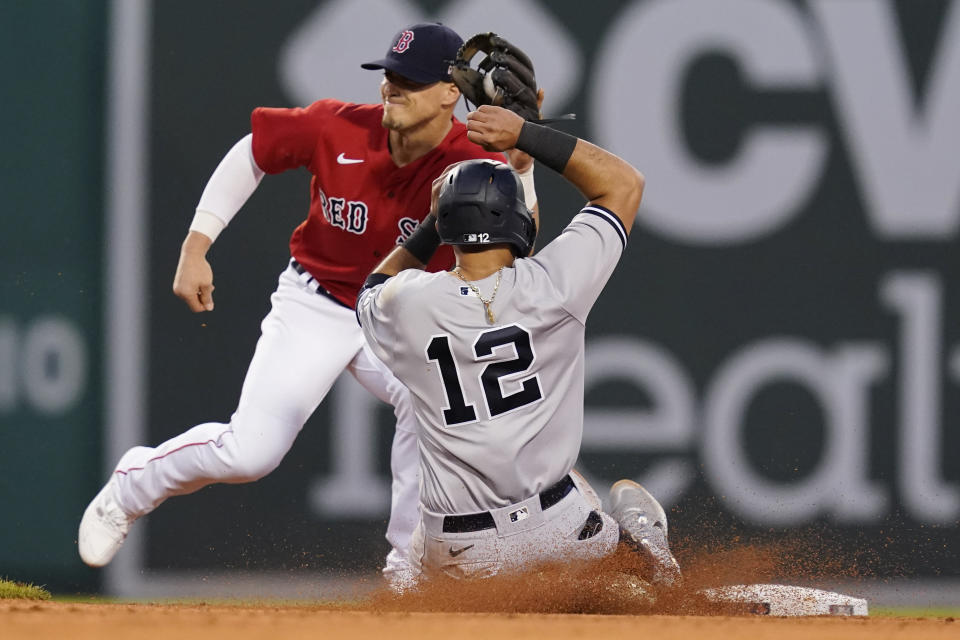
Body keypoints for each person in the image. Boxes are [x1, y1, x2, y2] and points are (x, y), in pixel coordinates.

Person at [78, 22, 538, 588]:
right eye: (389, 75)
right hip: (317, 301)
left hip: (402, 312)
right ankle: (132, 483)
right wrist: (197, 244)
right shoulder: (336, 126)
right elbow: (254, 150)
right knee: (250, 454)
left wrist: (522, 167)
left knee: (432, 408)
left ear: (451, 93)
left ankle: (407, 571)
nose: (391, 88)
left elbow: (521, 236)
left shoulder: (473, 157)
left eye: (410, 81)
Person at [355, 104, 682, 583]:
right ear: (515, 222)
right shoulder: (553, 286)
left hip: (460, 552)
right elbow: (623, 183)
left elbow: (372, 287)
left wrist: (431, 223)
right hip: (560, 528)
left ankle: (412, 587)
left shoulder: (409, 302)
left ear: (446, 226)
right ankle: (645, 561)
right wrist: (525, 135)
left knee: (415, 574)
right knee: (627, 562)